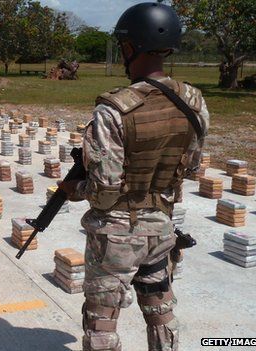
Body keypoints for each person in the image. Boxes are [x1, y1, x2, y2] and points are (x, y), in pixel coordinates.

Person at [58, 3, 209, 351]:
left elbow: (105, 192)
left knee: (102, 322)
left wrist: (73, 189)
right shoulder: (194, 101)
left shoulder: (114, 109)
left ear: (130, 48)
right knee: (160, 310)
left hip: (116, 239)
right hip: (162, 228)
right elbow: (192, 168)